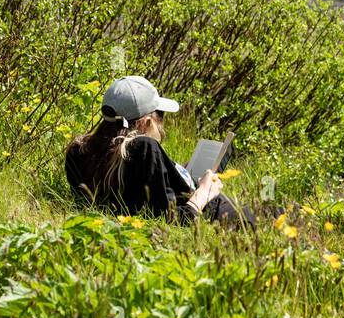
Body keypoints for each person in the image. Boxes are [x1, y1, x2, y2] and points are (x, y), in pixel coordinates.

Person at [64, 75, 251, 225]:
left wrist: (175, 170)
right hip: (215, 214)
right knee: (273, 214)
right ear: (146, 123)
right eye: (159, 115)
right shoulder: (143, 148)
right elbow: (171, 220)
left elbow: (138, 189)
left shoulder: (78, 153)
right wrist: (204, 192)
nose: (162, 123)